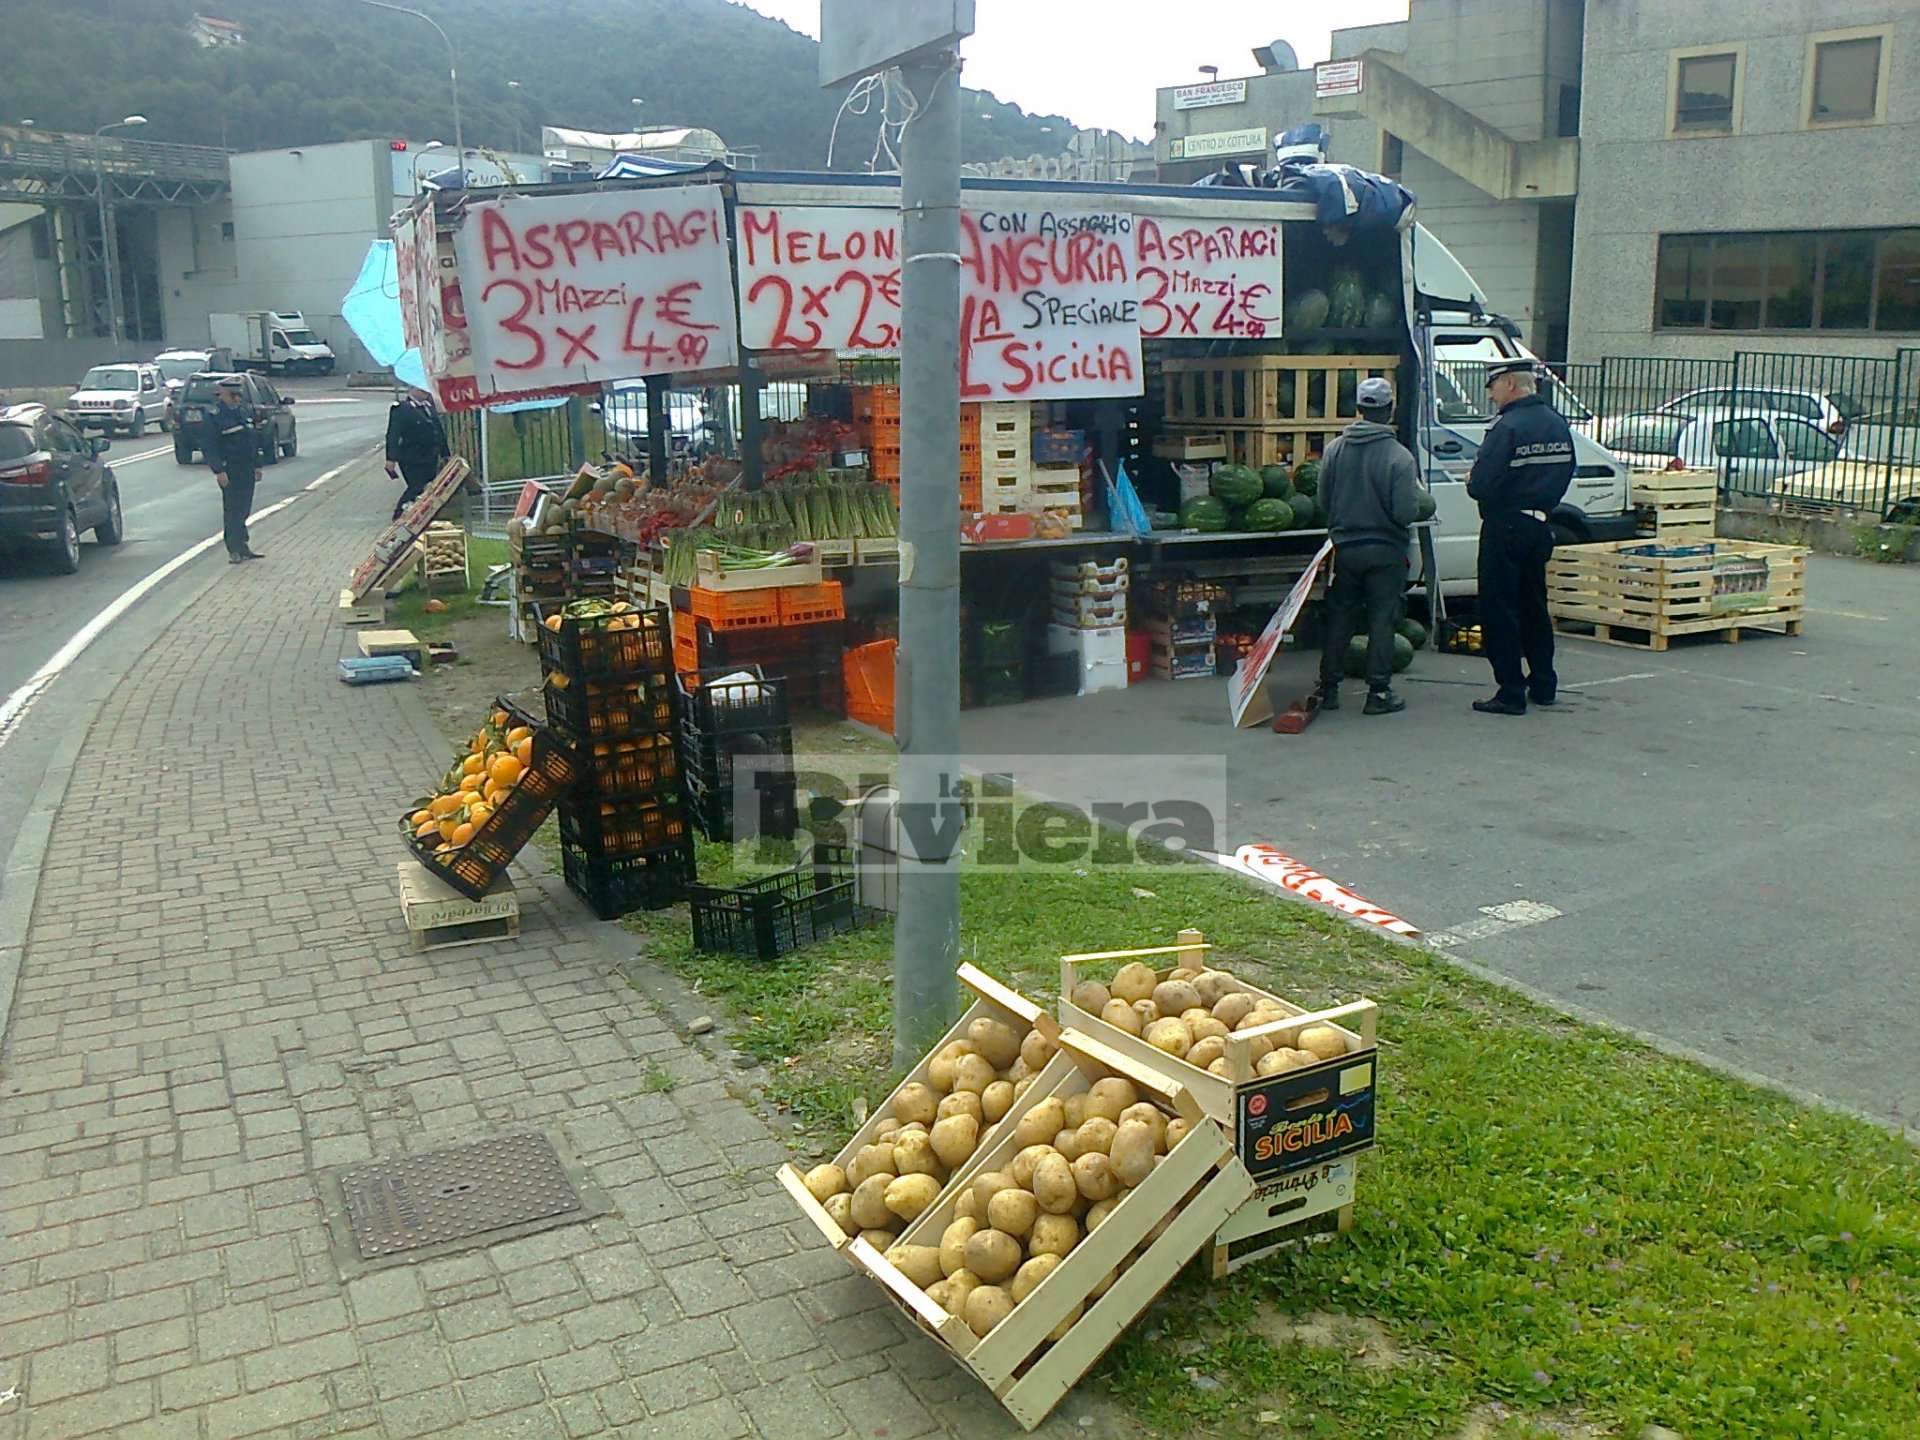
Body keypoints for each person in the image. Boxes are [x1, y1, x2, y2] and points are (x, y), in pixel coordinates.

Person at [1467, 357, 1575, 715]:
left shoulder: (1507, 427)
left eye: (1493, 385)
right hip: (1540, 524)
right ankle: (1543, 683)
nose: (1491, 393)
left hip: (1505, 525)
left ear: (1511, 384)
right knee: (1534, 607)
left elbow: (1482, 483)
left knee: (1499, 609)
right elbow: (1565, 470)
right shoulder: (1556, 424)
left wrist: (1474, 481)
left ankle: (1510, 690)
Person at [1316, 377, 1423, 715]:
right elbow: (1405, 511)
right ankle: (1378, 692)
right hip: (1385, 550)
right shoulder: (1400, 457)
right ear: (1390, 410)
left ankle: (1327, 688)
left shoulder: (1335, 449)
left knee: (1340, 616)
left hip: (1346, 547)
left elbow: (1323, 498)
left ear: (1358, 409)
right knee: (1381, 619)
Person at [205, 376, 263, 564]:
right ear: (222, 393)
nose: (237, 399)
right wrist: (219, 471)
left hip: (246, 466)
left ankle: (243, 545)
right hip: (229, 468)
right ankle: (234, 549)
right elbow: (210, 445)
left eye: (238, 395)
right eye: (233, 395)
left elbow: (252, 439)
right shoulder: (215, 414)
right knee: (232, 510)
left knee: (244, 508)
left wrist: (257, 464)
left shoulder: (242, 410)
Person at [385, 385, 450, 520]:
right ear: (411, 389)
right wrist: (390, 459)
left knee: (427, 488)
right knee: (416, 487)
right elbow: (393, 434)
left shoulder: (429, 407)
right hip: (411, 457)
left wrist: (445, 453)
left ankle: (420, 516)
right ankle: (398, 515)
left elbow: (438, 430)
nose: (425, 391)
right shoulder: (401, 409)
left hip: (430, 456)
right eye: (421, 389)